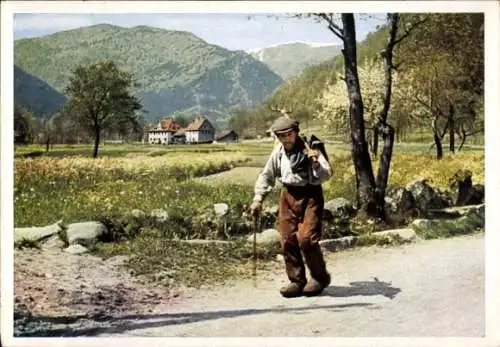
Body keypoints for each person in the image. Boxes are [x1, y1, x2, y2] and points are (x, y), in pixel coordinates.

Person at [249, 116, 333, 298]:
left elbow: (327, 174)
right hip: (287, 195)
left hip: (310, 195)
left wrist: (316, 163)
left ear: (296, 132)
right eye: (282, 136)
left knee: (306, 239)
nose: (286, 139)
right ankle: (296, 281)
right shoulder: (278, 152)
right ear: (278, 137)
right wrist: (258, 199)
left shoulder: (311, 149)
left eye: (289, 134)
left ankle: (319, 278)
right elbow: (267, 175)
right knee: (288, 239)